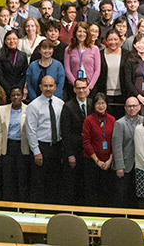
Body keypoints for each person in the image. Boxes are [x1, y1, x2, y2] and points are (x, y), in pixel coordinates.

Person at [25, 74, 65, 203]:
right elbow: (30, 130)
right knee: (39, 182)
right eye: (45, 86)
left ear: (55, 87)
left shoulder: (60, 104)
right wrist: (36, 151)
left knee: (55, 182)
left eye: (51, 86)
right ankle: (37, 211)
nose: (48, 88)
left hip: (57, 147)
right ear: (40, 87)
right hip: (42, 148)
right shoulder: (33, 105)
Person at [0, 86, 30, 203]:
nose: (16, 97)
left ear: (22, 96)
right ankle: (8, 206)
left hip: (22, 147)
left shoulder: (29, 109)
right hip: (8, 147)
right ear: (10, 97)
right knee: (8, 179)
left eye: (18, 95)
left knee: (22, 178)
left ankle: (22, 206)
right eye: (13, 95)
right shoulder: (2, 110)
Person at [62, 77, 92, 205]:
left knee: (88, 184)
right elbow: (65, 133)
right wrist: (70, 154)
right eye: (78, 88)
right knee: (74, 185)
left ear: (88, 89)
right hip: (75, 152)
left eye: (83, 87)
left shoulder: (92, 104)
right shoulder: (68, 107)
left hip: (90, 153)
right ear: (74, 89)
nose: (81, 90)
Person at [82, 92, 116, 205]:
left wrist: (110, 160)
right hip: (92, 162)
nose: (101, 106)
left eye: (103, 103)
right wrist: (97, 160)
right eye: (98, 103)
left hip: (108, 162)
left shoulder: (112, 120)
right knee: (92, 192)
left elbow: (115, 142)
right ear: (94, 105)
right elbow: (86, 142)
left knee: (107, 193)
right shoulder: (88, 120)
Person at [112, 96, 141, 207]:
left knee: (137, 196)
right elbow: (117, 147)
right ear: (125, 108)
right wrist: (119, 166)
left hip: (140, 165)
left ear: (139, 107)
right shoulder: (119, 123)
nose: (132, 108)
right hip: (125, 165)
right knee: (122, 195)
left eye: (134, 106)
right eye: (129, 106)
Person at [64, 21, 101, 93]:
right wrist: (76, 85)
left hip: (90, 87)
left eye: (84, 32)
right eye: (79, 31)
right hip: (74, 88)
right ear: (75, 33)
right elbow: (67, 70)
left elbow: (97, 70)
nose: (82, 34)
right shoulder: (69, 49)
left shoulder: (94, 49)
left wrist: (89, 87)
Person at [95, 30, 125, 117]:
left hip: (122, 95)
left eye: (115, 39)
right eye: (110, 40)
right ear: (106, 41)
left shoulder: (127, 54)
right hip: (105, 94)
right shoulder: (99, 55)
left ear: (120, 40)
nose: (113, 42)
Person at [0, 30, 28, 95]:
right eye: (9, 39)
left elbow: (25, 74)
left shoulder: (23, 55)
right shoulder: (0, 55)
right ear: (5, 41)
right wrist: (9, 89)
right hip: (4, 90)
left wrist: (19, 87)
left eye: (14, 39)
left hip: (19, 90)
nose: (12, 41)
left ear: (18, 40)